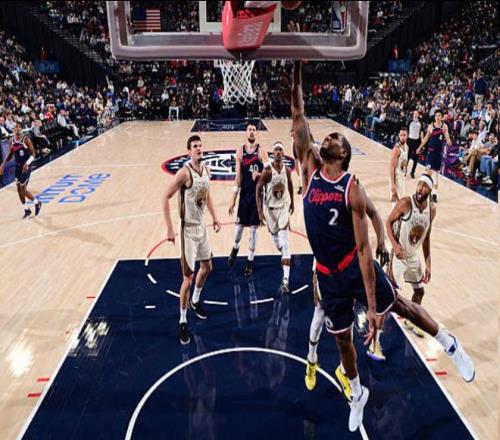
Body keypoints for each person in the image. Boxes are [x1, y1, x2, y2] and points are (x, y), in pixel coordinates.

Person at [291, 61, 474, 432]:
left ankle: (449, 342)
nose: (327, 139)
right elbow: (297, 112)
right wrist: (296, 65)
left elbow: (363, 251)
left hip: (353, 267)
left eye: (334, 139)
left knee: (402, 306)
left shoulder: (351, 188)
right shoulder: (308, 167)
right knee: (343, 342)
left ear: (343, 153)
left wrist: (374, 309)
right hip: (326, 274)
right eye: (327, 138)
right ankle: (357, 393)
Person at [162, 134, 221, 345]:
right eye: (195, 146)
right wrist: (170, 228)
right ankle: (183, 320)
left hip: (201, 228)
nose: (198, 149)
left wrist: (215, 217)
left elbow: (207, 195)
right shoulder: (184, 173)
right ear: (189, 151)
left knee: (208, 267)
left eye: (200, 145)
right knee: (187, 279)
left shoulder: (206, 171)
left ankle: (195, 300)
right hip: (187, 231)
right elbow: (165, 196)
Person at [386, 174, 436, 337]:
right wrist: (395, 245)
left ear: (430, 190)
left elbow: (426, 237)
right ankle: (376, 338)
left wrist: (428, 263)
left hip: (413, 256)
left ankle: (411, 321)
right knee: (387, 295)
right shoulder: (406, 203)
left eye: (424, 186)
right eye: (419, 184)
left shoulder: (431, 210)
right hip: (398, 255)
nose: (420, 189)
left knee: (419, 292)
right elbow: (388, 222)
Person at [228, 123, 270, 276]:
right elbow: (238, 177)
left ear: (256, 133)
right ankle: (235, 248)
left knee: (253, 231)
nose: (251, 132)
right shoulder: (240, 151)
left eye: (254, 130)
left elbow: (269, 173)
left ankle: (250, 261)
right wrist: (233, 198)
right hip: (244, 196)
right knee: (238, 229)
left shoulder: (261, 151)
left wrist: (259, 175)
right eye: (249, 130)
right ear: (246, 132)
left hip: (257, 197)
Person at [256, 141, 294, 293]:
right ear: (273, 153)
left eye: (280, 150)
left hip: (283, 208)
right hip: (270, 210)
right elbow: (258, 189)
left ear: (283, 153)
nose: (278, 152)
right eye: (276, 150)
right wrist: (260, 212)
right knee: (279, 245)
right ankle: (284, 255)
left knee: (285, 245)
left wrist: (292, 202)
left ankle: (285, 280)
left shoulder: (287, 170)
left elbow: (290, 184)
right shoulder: (267, 171)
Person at [0, 123, 42, 218]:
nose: (18, 128)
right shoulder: (11, 140)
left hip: (26, 167)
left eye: (19, 127)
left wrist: (27, 163)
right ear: (13, 129)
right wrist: (3, 164)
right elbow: (10, 154)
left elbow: (33, 154)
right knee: (19, 189)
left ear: (21, 129)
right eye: (16, 127)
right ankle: (26, 209)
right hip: (18, 167)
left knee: (23, 190)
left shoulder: (26, 139)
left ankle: (37, 203)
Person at [416, 109, 452, 203]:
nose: (437, 117)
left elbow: (447, 136)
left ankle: (434, 194)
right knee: (428, 173)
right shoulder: (431, 126)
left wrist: (448, 140)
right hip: (431, 153)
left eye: (439, 115)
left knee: (436, 175)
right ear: (434, 117)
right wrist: (420, 147)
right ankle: (424, 192)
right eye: (436, 116)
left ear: (442, 117)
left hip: (439, 154)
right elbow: (426, 138)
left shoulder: (444, 126)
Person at [389, 127, 409, 207]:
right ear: (399, 135)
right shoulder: (396, 149)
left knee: (400, 203)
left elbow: (404, 162)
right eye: (401, 135)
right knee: (395, 204)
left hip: (402, 177)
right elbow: (391, 167)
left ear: (407, 136)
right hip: (396, 178)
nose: (402, 137)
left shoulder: (407, 147)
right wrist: (393, 184)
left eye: (404, 135)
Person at [407, 111, 423, 178]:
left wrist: (422, 141)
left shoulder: (420, 122)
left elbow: (421, 132)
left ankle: (412, 172)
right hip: (410, 140)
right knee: (407, 156)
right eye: (415, 114)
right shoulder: (409, 121)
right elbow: (406, 130)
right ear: (413, 115)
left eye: (417, 114)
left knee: (416, 158)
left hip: (417, 141)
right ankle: (404, 170)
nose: (416, 115)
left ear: (418, 115)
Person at [290, 128, 303, 194]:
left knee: (300, 168)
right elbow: (291, 134)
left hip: (300, 148)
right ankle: (302, 179)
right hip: (295, 146)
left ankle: (301, 186)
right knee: (296, 167)